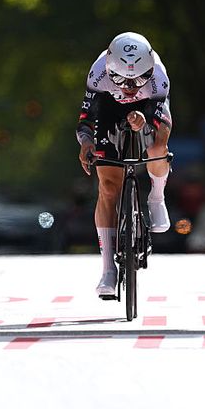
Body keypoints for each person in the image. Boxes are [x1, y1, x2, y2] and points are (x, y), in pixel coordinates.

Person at [76, 32, 172, 298]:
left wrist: (145, 118)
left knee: (156, 147)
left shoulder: (159, 77)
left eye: (139, 78)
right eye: (120, 79)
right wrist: (85, 143)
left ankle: (156, 196)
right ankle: (108, 269)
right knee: (107, 186)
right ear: (109, 69)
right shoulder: (98, 74)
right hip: (109, 107)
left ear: (150, 69)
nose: (129, 85)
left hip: (148, 107)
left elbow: (157, 112)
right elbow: (86, 117)